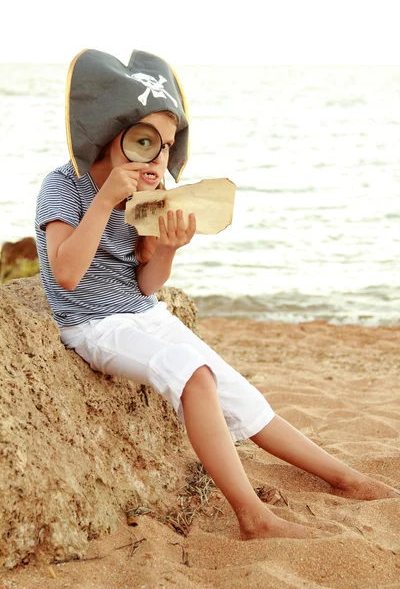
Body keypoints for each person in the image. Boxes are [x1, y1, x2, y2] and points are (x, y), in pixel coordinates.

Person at [35, 48, 399, 542]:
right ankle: (253, 517)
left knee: (239, 393)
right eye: (145, 140)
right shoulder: (64, 184)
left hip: (142, 311)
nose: (157, 156)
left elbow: (145, 285)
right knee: (194, 374)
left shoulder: (150, 188)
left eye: (166, 145)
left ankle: (343, 477)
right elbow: (67, 275)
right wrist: (105, 201)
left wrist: (166, 250)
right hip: (94, 325)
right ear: (109, 131)